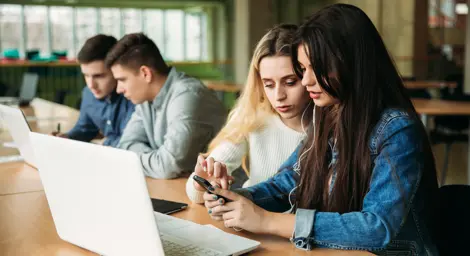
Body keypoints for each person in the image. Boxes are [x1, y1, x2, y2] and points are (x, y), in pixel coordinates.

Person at [203, 4, 439, 255]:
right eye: (303, 69)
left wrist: (267, 220)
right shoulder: (328, 115)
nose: (307, 81)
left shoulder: (396, 129)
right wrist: (234, 199)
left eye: (318, 68)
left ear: (352, 64)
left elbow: (377, 227)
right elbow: (287, 183)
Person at [185, 24, 312, 203]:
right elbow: (195, 193)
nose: (278, 96)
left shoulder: (331, 127)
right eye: (268, 84)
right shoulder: (252, 117)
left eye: (290, 82)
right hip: (251, 221)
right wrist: (202, 183)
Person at [106, 33, 227, 179]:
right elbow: (125, 145)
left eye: (122, 80)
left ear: (145, 73)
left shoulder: (188, 95)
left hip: (232, 192)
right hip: (189, 188)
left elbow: (167, 166)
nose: (118, 89)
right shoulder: (145, 99)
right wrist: (157, 160)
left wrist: (156, 162)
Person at [51, 34, 135, 147]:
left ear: (116, 70)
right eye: (86, 75)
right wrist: (67, 138)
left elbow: (129, 140)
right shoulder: (88, 93)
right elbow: (84, 129)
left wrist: (104, 143)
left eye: (99, 76)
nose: (91, 85)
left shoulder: (134, 96)